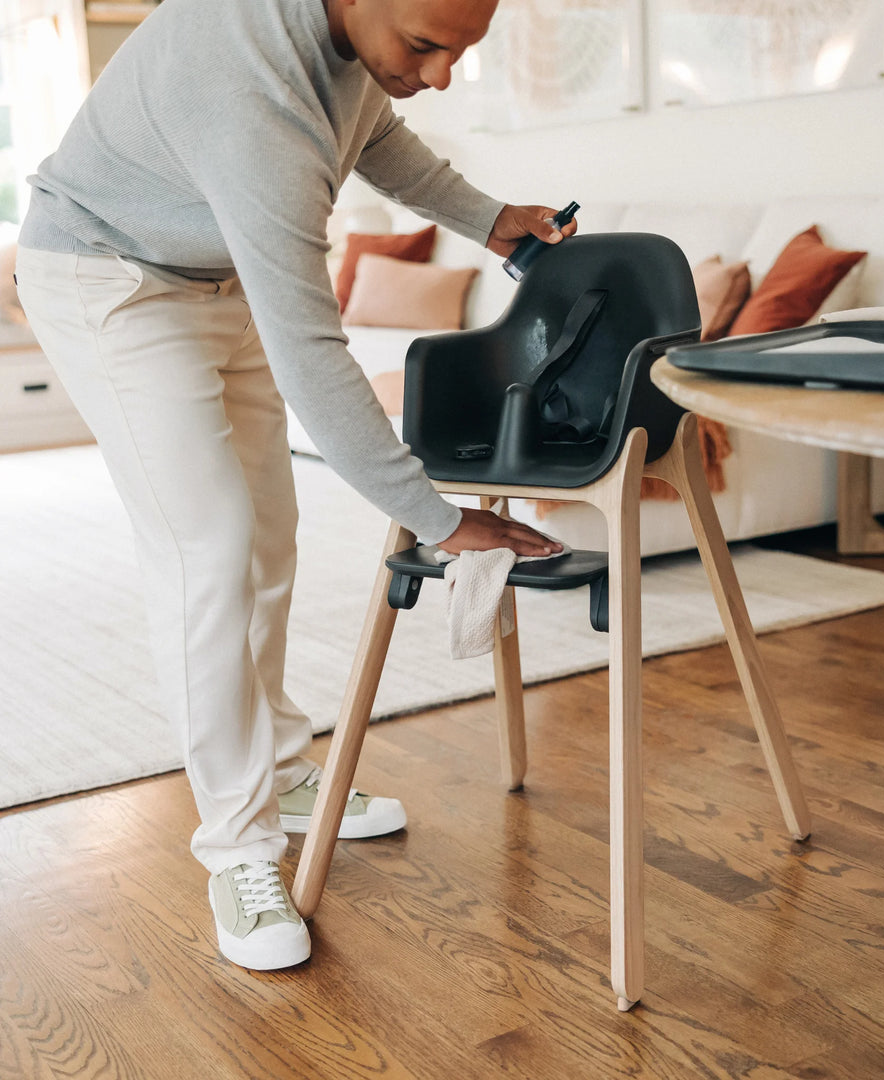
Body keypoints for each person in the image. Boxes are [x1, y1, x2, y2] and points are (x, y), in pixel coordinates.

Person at [15, 0, 574, 972]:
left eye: (462, 52)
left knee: (271, 534)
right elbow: (319, 361)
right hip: (110, 278)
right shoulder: (249, 89)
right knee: (210, 547)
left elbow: (379, 133)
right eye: (427, 46)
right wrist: (438, 520)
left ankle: (283, 772)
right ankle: (238, 848)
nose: (441, 75)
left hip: (219, 275)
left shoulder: (351, 48)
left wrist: (490, 220)